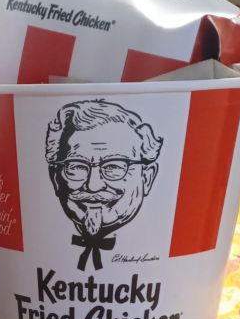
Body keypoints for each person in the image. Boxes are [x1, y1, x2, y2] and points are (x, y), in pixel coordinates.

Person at [45, 99, 163, 271]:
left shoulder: (160, 244)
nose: (93, 185)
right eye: (77, 166)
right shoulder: (42, 240)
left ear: (147, 177)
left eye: (114, 166)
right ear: (55, 178)